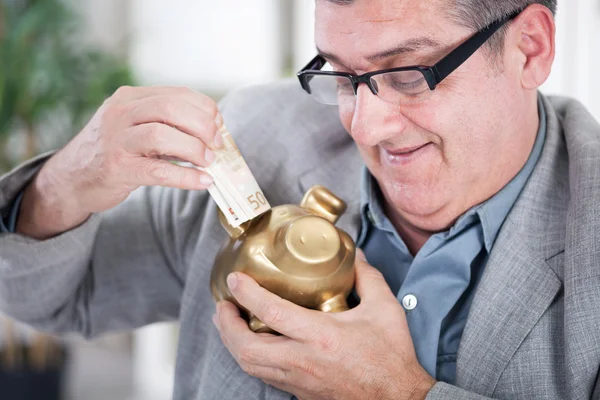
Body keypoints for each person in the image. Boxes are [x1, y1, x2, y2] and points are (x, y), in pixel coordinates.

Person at [1, 0, 599, 398]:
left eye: (408, 73)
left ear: (530, 49)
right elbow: (50, 297)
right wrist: (68, 179)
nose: (363, 126)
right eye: (340, 74)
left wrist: (396, 392)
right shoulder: (256, 136)